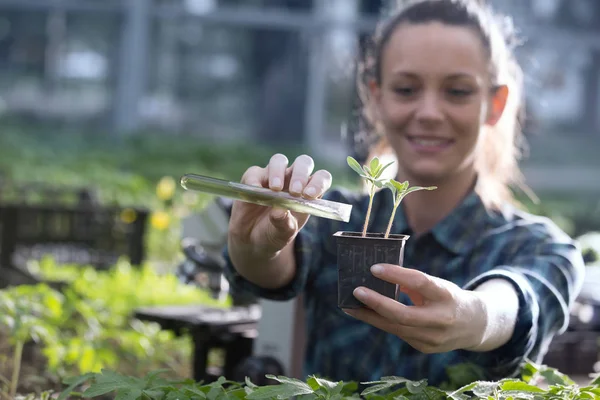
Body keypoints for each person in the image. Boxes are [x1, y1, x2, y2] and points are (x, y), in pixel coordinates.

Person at [222, 0, 585, 387]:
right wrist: (254, 247)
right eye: (406, 89)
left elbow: (516, 302)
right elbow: (273, 266)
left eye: (458, 91)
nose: (429, 112)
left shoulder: (540, 248)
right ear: (376, 98)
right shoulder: (337, 219)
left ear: (493, 104)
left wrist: (474, 315)